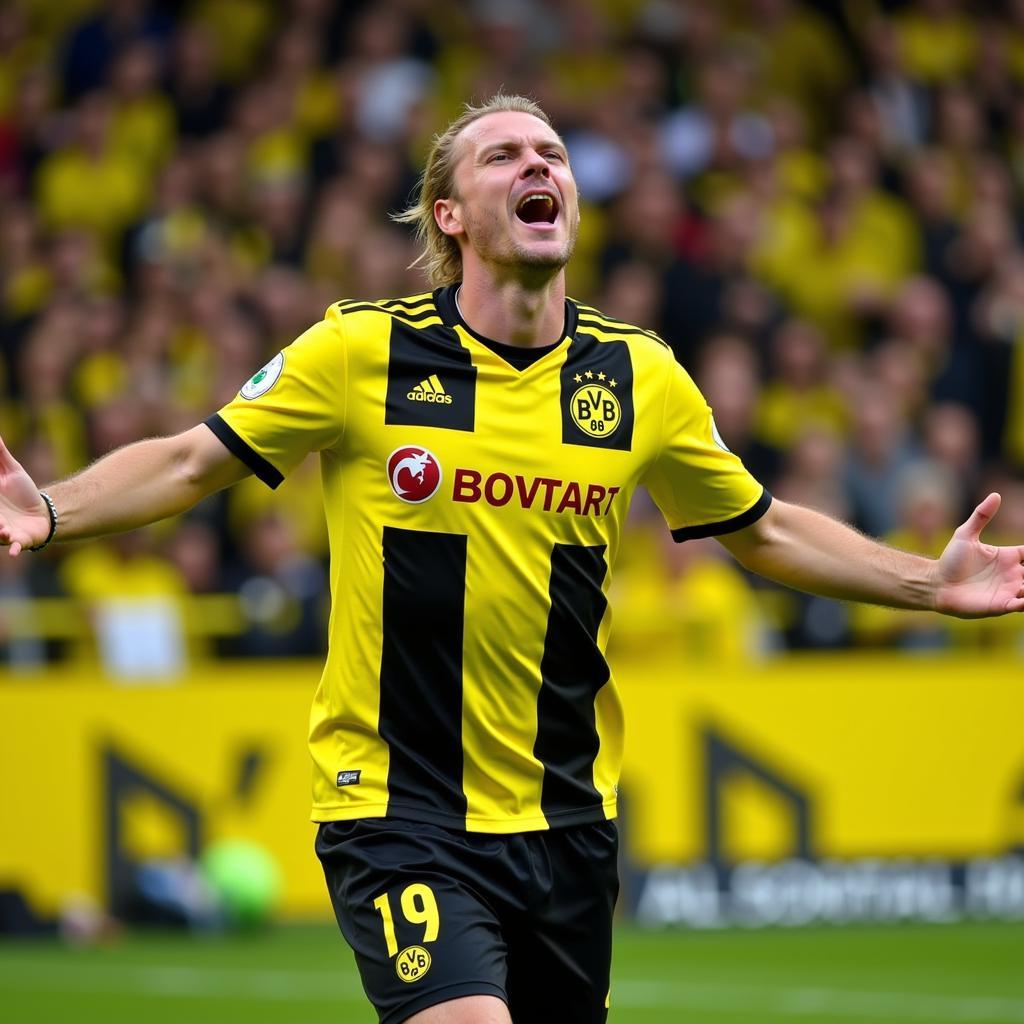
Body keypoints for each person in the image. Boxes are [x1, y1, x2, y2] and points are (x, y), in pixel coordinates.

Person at [1, 94, 1023, 1024]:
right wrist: (51, 508)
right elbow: (187, 463)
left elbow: (762, 528)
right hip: (396, 804)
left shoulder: (640, 377)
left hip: (566, 817)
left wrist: (924, 585)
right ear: (449, 213)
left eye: (552, 153)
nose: (538, 166)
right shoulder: (358, 354)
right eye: (503, 156)